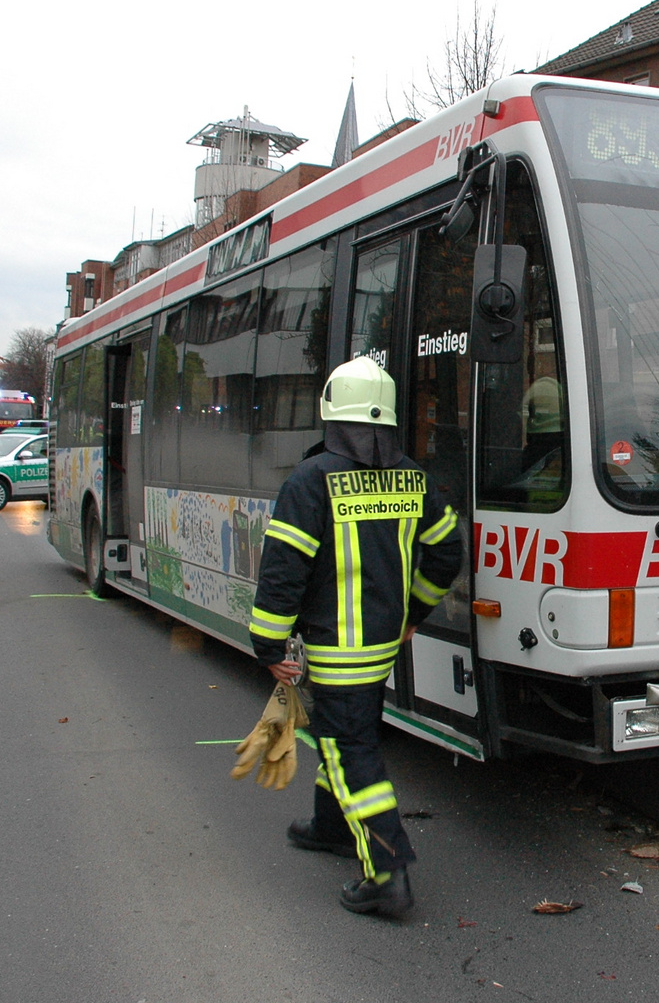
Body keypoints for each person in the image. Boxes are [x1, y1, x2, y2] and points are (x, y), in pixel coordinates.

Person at [247, 356, 463, 917]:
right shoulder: (414, 477)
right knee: (350, 731)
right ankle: (330, 826)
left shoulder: (310, 480)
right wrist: (414, 611)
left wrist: (268, 644)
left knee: (349, 748)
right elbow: (446, 551)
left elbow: (283, 570)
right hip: (383, 643)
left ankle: (388, 875)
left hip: (335, 647)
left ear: (329, 412)